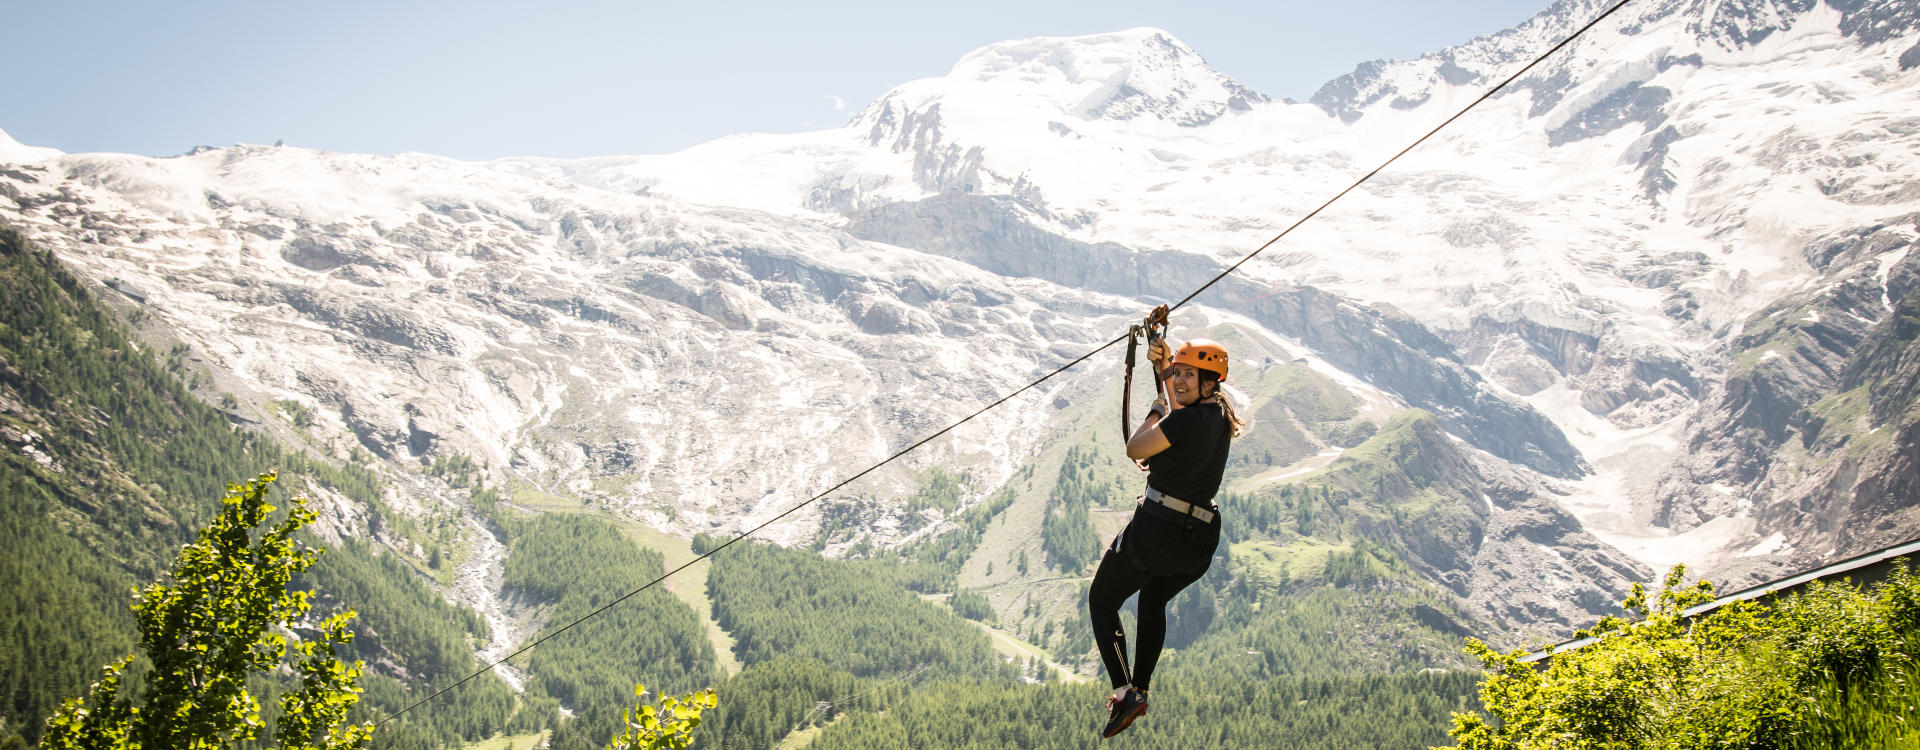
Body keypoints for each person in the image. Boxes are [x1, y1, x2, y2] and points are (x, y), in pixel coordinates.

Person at [1089, 334, 1243, 739]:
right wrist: (1164, 362)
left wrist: (1155, 409)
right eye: (1179, 373)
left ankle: (1124, 692)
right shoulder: (1218, 416)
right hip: (1198, 541)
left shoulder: (1183, 420)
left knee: (1102, 601)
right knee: (1153, 597)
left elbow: (1135, 448)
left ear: (1209, 381)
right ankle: (1140, 689)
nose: (1180, 381)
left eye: (1190, 375)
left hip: (1157, 531)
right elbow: (1182, 410)